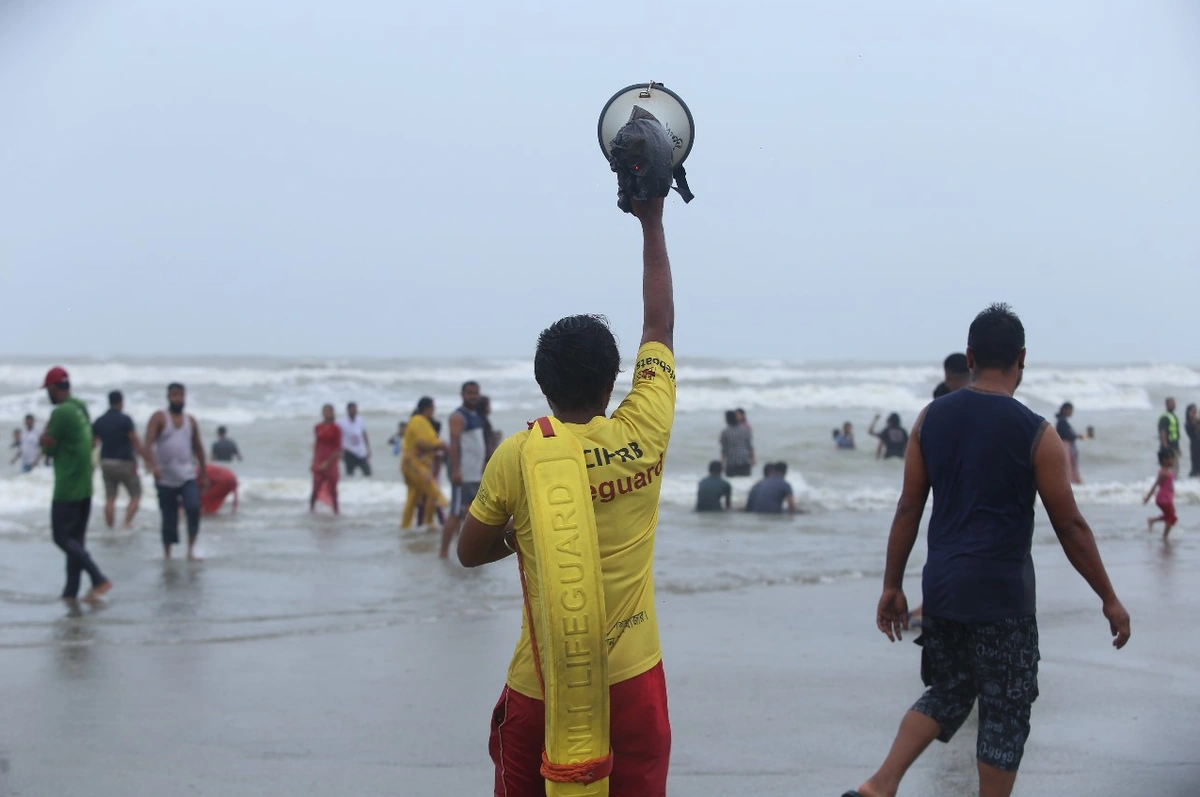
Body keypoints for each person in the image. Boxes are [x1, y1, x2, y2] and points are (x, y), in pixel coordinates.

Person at [845, 304, 1130, 797]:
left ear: (971, 356)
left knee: (949, 691)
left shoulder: (929, 419)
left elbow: (908, 508)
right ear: (1022, 359)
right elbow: (1071, 526)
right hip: (1002, 598)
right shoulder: (1038, 433)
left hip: (944, 591)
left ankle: (880, 784)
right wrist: (1108, 596)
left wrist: (892, 585)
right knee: (1005, 714)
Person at [457, 195, 674, 797]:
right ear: (613, 381)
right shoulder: (645, 430)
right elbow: (659, 326)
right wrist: (652, 219)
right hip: (635, 677)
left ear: (542, 385)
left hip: (544, 681)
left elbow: (469, 552)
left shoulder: (520, 456)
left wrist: (529, 533)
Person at [39, 367, 112, 602]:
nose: (47, 395)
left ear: (53, 388)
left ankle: (98, 577)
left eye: (47, 390)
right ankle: (70, 593)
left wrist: (44, 441)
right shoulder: (80, 406)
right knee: (76, 543)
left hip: (67, 488)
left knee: (61, 538)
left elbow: (48, 447)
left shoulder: (62, 413)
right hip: (85, 486)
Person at [143, 383, 208, 561]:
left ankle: (190, 550)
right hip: (165, 478)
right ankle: (168, 554)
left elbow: (199, 448)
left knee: (194, 508)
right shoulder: (159, 418)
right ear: (168, 397)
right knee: (169, 517)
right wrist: (152, 465)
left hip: (187, 476)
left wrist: (204, 472)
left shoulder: (191, 421)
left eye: (181, 395)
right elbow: (148, 443)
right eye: (174, 395)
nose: (178, 399)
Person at [439, 381, 487, 558]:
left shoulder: (475, 415)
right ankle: (443, 553)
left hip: (475, 474)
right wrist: (456, 470)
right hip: (464, 474)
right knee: (455, 513)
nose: (473, 396)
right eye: (469, 393)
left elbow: (476, 443)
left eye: (475, 393)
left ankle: (461, 550)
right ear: (462, 394)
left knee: (470, 514)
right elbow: (454, 442)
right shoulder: (458, 417)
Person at [91, 390, 146, 529]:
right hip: (125, 462)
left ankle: (110, 528)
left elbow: (93, 443)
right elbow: (134, 440)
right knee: (135, 495)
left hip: (106, 462)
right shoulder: (125, 419)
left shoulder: (100, 420)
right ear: (121, 402)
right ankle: (125, 524)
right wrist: (143, 458)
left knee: (110, 498)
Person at [400, 397, 448, 529]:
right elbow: (421, 443)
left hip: (419, 464)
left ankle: (408, 526)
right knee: (434, 491)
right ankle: (450, 513)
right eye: (433, 408)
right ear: (428, 408)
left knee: (414, 496)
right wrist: (439, 446)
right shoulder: (418, 421)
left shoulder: (424, 422)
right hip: (414, 464)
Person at [310, 404, 342, 515]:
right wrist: (313, 461)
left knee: (333, 488)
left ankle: (336, 511)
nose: (327, 413)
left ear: (333, 413)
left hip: (331, 459)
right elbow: (317, 444)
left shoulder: (336, 428)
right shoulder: (317, 427)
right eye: (325, 411)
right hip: (319, 458)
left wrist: (328, 463)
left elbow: (338, 448)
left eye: (329, 411)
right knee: (315, 487)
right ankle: (311, 510)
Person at [1144, 448, 1177, 540]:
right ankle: (1164, 537)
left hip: (1167, 498)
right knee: (1172, 517)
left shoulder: (1168, 470)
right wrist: (1147, 498)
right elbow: (1155, 485)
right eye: (1170, 459)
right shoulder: (1164, 473)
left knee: (1169, 516)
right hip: (1163, 499)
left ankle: (1152, 521)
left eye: (1172, 458)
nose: (1172, 460)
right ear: (1164, 460)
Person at [338, 402, 372, 476]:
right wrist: (340, 451)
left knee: (368, 472)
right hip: (349, 451)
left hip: (361, 451)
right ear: (348, 410)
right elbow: (338, 437)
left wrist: (368, 449)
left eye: (356, 409)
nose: (355, 411)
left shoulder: (360, 420)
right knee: (349, 473)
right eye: (353, 409)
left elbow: (364, 434)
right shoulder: (342, 422)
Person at [1055, 402, 1085, 485]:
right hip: (1065, 446)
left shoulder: (1062, 421)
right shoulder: (1062, 422)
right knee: (1068, 465)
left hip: (1066, 446)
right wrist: (1076, 436)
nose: (1071, 412)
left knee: (1069, 465)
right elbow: (1065, 435)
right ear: (1065, 410)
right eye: (1070, 410)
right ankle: (1070, 483)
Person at [719, 409, 754, 477]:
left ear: (727, 419)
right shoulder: (745, 429)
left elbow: (724, 450)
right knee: (745, 483)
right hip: (745, 460)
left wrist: (722, 463)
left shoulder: (725, 432)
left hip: (732, 462)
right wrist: (752, 459)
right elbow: (749, 446)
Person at [1158, 397, 1181, 476]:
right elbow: (1163, 432)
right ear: (1167, 404)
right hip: (1168, 446)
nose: (1174, 405)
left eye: (1174, 403)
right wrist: (1165, 446)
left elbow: (1175, 434)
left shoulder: (1173, 416)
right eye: (1172, 403)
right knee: (1170, 468)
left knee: (1175, 467)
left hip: (1174, 446)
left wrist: (1178, 447)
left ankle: (1173, 483)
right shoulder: (1165, 417)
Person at [1186, 404, 1200, 478]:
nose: (1194, 413)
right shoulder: (1188, 423)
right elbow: (1193, 433)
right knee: (1196, 467)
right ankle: (1191, 481)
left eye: (1195, 411)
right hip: (1195, 447)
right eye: (1192, 411)